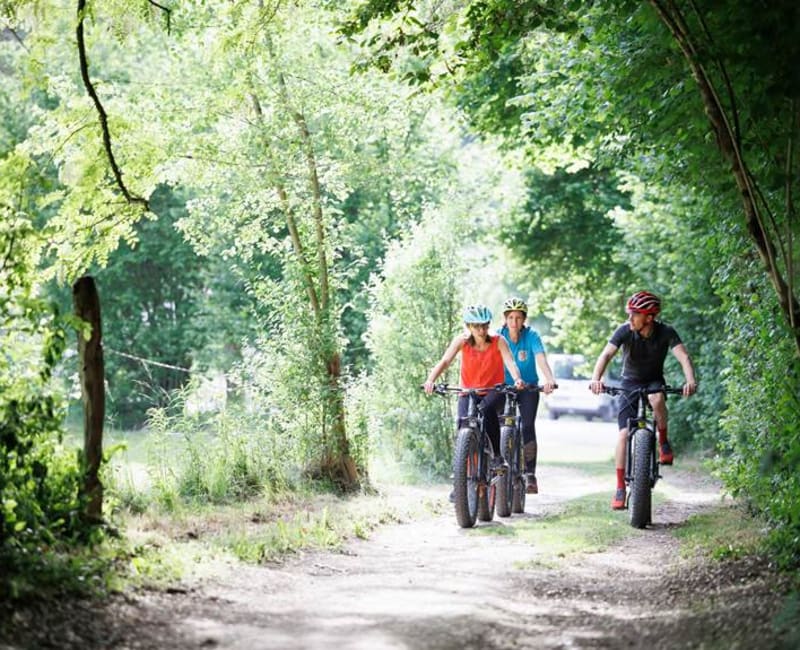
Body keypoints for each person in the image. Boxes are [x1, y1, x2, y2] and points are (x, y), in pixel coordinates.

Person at [589, 290, 697, 510]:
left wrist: (690, 381)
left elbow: (683, 356)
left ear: (649, 317)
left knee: (657, 399)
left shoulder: (666, 332)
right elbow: (606, 355)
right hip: (629, 382)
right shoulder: (624, 331)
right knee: (622, 434)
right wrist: (595, 379)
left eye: (634, 314)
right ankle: (620, 487)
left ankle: (663, 442)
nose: (630, 318)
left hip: (654, 381)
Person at [423, 304, 525, 470]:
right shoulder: (462, 341)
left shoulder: (499, 341)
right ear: (469, 326)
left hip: (493, 391)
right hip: (468, 393)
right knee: (463, 425)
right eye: (476, 326)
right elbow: (445, 361)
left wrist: (517, 379)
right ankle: (461, 481)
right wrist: (430, 380)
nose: (481, 330)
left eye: (484, 325)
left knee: (486, 410)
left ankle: (497, 457)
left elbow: (510, 362)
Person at [497, 297, 557, 494]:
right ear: (505, 319)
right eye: (511, 317)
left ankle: (530, 474)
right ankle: (495, 464)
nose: (514, 322)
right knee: (497, 424)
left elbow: (541, 358)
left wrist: (549, 379)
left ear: (524, 319)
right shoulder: (498, 336)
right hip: (504, 387)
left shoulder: (532, 335)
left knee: (528, 425)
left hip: (528, 387)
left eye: (518, 317)